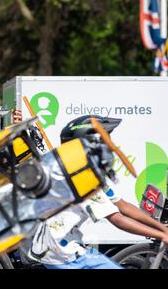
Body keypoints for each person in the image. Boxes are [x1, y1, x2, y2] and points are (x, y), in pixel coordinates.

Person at [26, 115, 168, 269]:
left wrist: (161, 228)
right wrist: (161, 235)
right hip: (61, 254)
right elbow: (117, 219)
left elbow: (123, 206)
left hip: (59, 247)